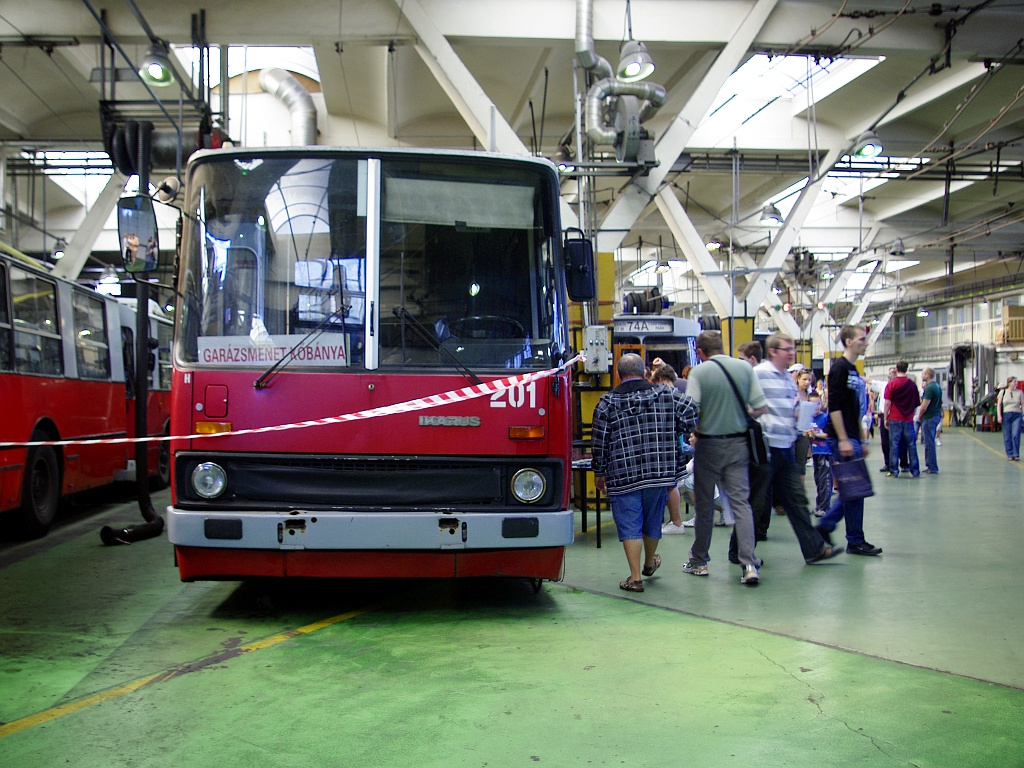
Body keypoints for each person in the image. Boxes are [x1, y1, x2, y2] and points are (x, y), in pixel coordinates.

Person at [591, 353, 699, 592]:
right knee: (652, 520)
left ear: (618, 376)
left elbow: (599, 442)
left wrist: (599, 472)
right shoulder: (666, 395)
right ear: (644, 373)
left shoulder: (607, 403)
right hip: (659, 472)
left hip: (623, 473)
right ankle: (650, 562)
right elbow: (693, 410)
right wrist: (676, 430)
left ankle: (635, 576)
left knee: (629, 524)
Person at [736, 332, 842, 564]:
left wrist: (801, 415)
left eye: (792, 348)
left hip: (786, 449)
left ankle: (814, 549)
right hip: (764, 449)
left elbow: (790, 411)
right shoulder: (758, 374)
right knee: (756, 502)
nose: (791, 352)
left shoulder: (787, 380)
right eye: (787, 349)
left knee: (796, 501)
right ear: (773, 351)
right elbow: (743, 404)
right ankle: (739, 551)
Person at [683, 331, 767, 585]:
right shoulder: (744, 368)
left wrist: (697, 431)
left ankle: (699, 562)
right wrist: (740, 416)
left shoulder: (699, 372)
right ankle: (749, 564)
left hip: (708, 446)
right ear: (722, 346)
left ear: (700, 352)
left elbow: (691, 409)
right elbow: (761, 407)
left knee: (706, 506)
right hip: (738, 445)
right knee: (741, 504)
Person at [816, 324, 882, 556]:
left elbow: (853, 409)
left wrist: (861, 439)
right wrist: (843, 439)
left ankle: (830, 528)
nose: (865, 343)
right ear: (848, 341)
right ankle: (852, 539)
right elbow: (835, 408)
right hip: (841, 438)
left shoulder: (853, 370)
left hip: (852, 437)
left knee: (854, 489)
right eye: (861, 339)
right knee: (854, 489)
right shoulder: (840, 369)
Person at [651, 364, 690, 535]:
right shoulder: (682, 396)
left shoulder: (661, 396)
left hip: (664, 447)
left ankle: (676, 522)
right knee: (671, 483)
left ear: (659, 379)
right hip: (677, 445)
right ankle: (675, 521)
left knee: (670, 485)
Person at [884, 360, 921, 478]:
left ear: (896, 369)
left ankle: (894, 470)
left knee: (894, 445)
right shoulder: (912, 385)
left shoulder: (891, 384)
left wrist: (886, 418)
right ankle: (915, 471)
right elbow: (916, 403)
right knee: (911, 445)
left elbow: (887, 403)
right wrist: (911, 414)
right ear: (907, 369)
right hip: (908, 419)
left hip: (894, 418)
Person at [807, 391, 833, 516]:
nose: (816, 407)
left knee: (825, 480)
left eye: (818, 404)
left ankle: (825, 507)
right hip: (816, 453)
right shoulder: (808, 418)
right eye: (813, 404)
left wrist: (817, 434)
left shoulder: (825, 418)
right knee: (818, 479)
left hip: (825, 453)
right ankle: (819, 505)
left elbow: (829, 434)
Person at [917, 367, 943, 474]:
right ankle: (931, 465)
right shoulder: (937, 386)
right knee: (930, 441)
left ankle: (932, 466)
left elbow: (924, 405)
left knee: (929, 443)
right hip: (936, 415)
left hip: (929, 417)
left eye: (923, 374)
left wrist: (919, 415)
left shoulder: (930, 388)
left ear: (927, 375)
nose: (922, 376)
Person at [997, 375, 1023, 461]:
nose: (1016, 383)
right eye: (1014, 381)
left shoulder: (1019, 393)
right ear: (1009, 383)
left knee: (1016, 435)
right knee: (1007, 436)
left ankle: (1016, 454)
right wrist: (999, 416)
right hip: (1006, 414)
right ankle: (1010, 454)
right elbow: (999, 405)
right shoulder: (1003, 392)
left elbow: (1023, 405)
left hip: (1017, 414)